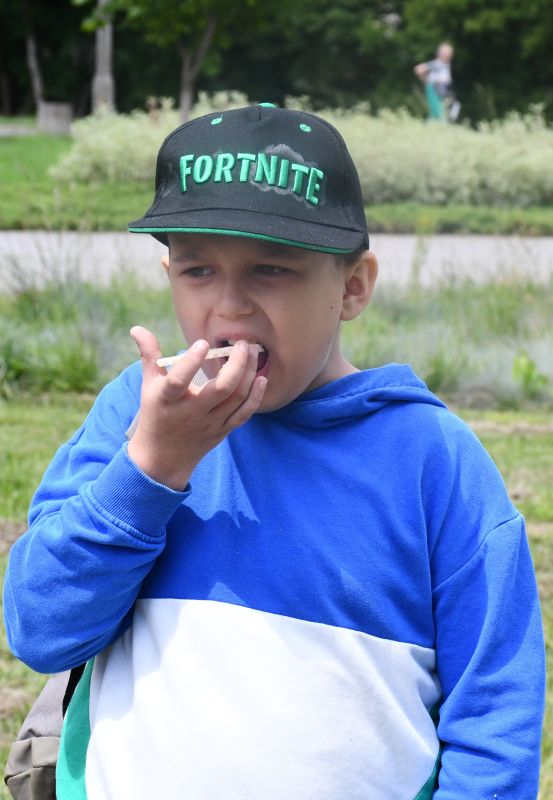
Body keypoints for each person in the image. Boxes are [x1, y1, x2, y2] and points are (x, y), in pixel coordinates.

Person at [3, 103, 545, 799]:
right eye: (198, 270)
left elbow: (495, 717)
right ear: (168, 272)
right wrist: (153, 468)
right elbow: (42, 629)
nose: (228, 307)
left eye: (270, 269)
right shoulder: (135, 415)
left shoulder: (429, 457)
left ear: (352, 286)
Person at [414, 42, 460, 122]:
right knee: (437, 113)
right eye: (447, 53)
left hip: (444, 91)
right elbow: (419, 69)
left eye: (450, 53)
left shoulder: (446, 64)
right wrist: (427, 81)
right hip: (435, 90)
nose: (449, 55)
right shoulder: (437, 64)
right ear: (440, 53)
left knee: (454, 107)